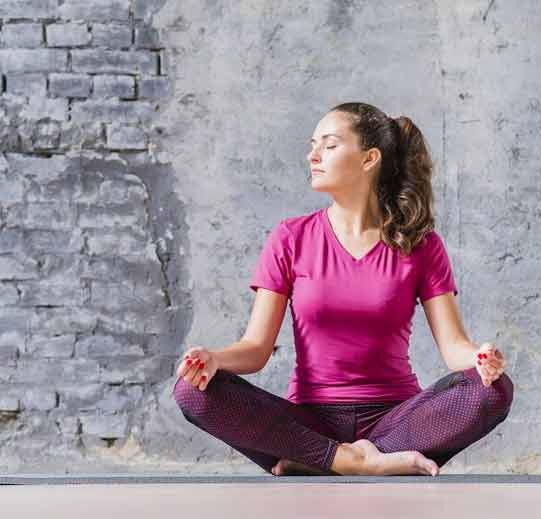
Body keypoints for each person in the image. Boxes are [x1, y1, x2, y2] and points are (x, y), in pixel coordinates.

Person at [172, 102, 514, 476]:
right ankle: (355, 461)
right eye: (313, 144)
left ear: (369, 159)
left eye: (330, 144)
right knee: (192, 390)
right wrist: (214, 359)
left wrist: (481, 359)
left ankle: (329, 460)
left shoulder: (421, 244)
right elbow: (255, 349)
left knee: (495, 390)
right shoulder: (291, 237)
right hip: (308, 423)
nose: (313, 155)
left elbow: (453, 348)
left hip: (396, 423)